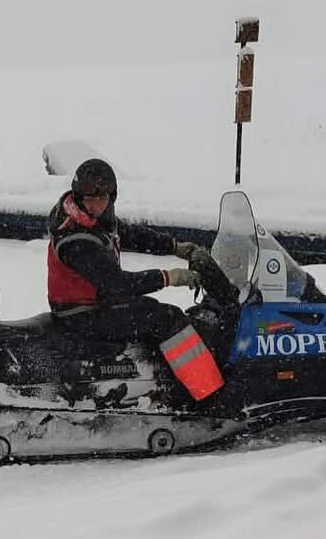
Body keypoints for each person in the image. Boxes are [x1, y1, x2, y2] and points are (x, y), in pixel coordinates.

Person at [47, 158, 224, 401]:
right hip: (81, 314)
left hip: (94, 303)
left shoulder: (89, 218)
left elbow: (130, 235)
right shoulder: (75, 238)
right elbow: (116, 283)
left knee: (151, 310)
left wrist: (175, 247)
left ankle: (159, 381)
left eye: (104, 197)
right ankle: (210, 394)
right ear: (78, 196)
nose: (98, 203)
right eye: (91, 197)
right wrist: (169, 277)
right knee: (167, 318)